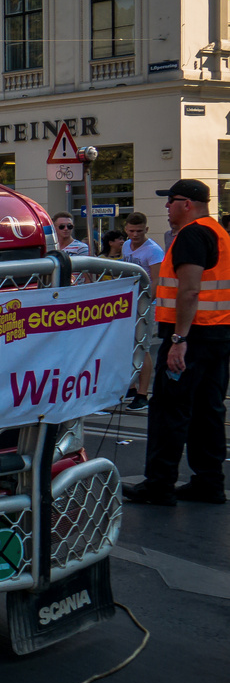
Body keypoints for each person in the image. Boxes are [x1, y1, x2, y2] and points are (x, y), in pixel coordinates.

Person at [125, 179, 230, 506]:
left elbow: (189, 290)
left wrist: (179, 340)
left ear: (187, 203)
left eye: (171, 202)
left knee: (170, 409)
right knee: (207, 410)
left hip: (192, 335)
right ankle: (209, 482)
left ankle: (159, 484)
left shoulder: (192, 234)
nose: (167, 208)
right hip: (217, 334)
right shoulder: (218, 233)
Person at [121, 211, 165, 410]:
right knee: (128, 345)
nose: (135, 234)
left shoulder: (153, 251)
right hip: (129, 301)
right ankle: (130, 386)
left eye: (139, 231)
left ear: (146, 229)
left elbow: (157, 279)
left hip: (146, 303)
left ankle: (142, 393)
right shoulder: (125, 245)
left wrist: (148, 302)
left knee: (142, 346)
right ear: (126, 229)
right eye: (131, 231)